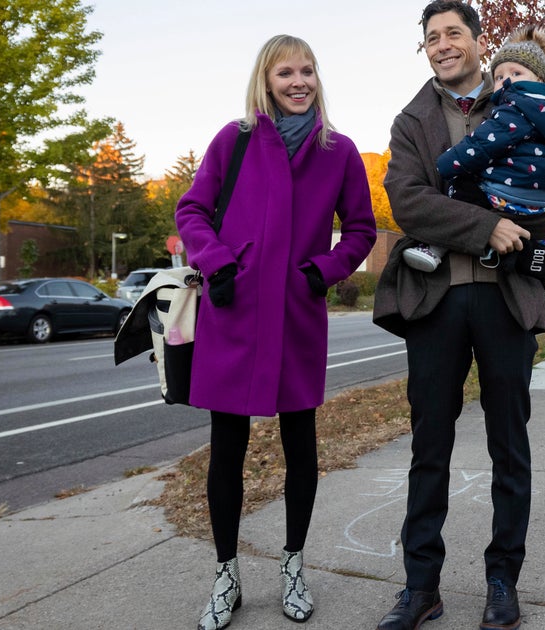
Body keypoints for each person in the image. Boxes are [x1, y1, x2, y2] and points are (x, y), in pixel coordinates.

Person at [370, 3, 545, 629]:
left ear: (480, 42)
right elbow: (408, 202)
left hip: (505, 299)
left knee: (509, 447)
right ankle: (420, 588)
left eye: (453, 33)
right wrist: (490, 225)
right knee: (428, 447)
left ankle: (501, 583)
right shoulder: (411, 121)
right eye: (431, 38)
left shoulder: (522, 98)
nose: (442, 45)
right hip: (434, 301)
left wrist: (519, 223)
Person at [174, 34, 377, 630]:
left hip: (295, 316)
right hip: (233, 314)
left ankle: (293, 567)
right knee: (226, 452)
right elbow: (191, 210)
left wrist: (323, 271)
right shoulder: (233, 139)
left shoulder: (337, 150)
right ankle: (226, 574)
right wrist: (216, 262)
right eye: (285, 72)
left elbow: (362, 230)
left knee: (301, 449)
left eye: (307, 71)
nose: (298, 82)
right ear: (266, 80)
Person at [401, 24, 545, 272]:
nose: (506, 82)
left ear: (539, 79)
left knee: (463, 185)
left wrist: (447, 164)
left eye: (516, 73)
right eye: (500, 77)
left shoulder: (513, 108)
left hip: (507, 194)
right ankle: (540, 250)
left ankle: (435, 247)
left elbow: (481, 145)